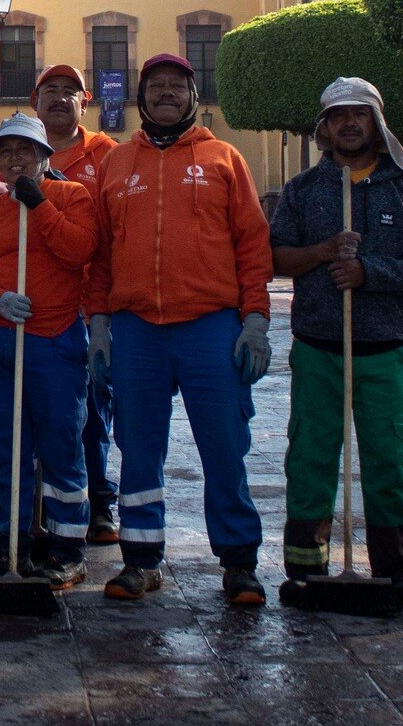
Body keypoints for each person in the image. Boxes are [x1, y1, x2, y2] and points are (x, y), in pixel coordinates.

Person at [87, 53, 274, 607]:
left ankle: (239, 563)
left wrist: (256, 320)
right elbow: (101, 254)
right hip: (136, 330)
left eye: (177, 85)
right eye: (156, 86)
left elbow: (252, 244)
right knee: (138, 448)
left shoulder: (224, 158)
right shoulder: (117, 163)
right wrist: (99, 323)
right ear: (141, 97)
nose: (166, 93)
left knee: (225, 446)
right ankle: (141, 561)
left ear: (193, 97)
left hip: (210, 326)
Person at [270, 77, 403, 596]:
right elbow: (276, 257)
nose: (349, 123)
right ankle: (306, 569)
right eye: (339, 115)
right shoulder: (303, 190)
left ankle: (394, 570)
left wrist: (370, 273)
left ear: (376, 123)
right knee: (310, 457)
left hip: (384, 350)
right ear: (324, 127)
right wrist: (323, 253)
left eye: (360, 114)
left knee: (390, 459)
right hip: (317, 348)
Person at [0, 113, 100, 589]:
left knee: (61, 446)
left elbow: (79, 250)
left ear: (44, 156)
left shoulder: (72, 197)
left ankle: (67, 548)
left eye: (25, 149)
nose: (14, 158)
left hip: (54, 341)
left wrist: (39, 205)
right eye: (6, 151)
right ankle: (11, 543)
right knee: (5, 448)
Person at [33, 64, 121, 545]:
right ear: (35, 101)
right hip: (33, 305)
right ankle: (35, 507)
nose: (60, 98)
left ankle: (99, 502)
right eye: (51, 90)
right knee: (40, 412)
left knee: (90, 409)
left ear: (85, 103)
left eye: (70, 91)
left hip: (89, 306)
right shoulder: (14, 152)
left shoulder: (107, 155)